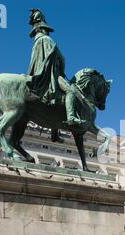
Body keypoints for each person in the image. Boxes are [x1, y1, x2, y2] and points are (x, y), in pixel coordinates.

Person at [27, 9, 77, 143]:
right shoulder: (48, 40)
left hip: (37, 76)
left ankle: (55, 133)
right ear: (44, 29)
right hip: (51, 76)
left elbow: (33, 63)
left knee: (56, 103)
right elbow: (62, 58)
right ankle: (71, 118)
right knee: (70, 91)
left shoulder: (36, 43)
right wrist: (60, 72)